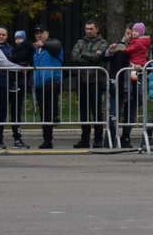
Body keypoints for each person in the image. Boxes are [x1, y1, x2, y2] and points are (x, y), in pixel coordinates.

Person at [70, 20, 112, 148]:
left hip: (96, 80)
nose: (88, 31)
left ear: (97, 29)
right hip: (82, 79)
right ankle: (85, 138)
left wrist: (84, 55)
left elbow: (98, 57)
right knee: (84, 110)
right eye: (87, 29)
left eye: (91, 29)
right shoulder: (80, 42)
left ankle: (98, 139)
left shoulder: (103, 42)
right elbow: (74, 56)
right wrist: (89, 58)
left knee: (96, 109)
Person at [31, 27, 65, 149]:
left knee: (50, 96)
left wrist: (44, 44)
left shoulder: (54, 43)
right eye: (36, 33)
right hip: (39, 83)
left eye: (41, 33)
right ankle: (47, 139)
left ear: (47, 33)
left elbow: (56, 47)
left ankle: (55, 114)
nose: (39, 35)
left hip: (53, 79)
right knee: (44, 112)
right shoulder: (35, 49)